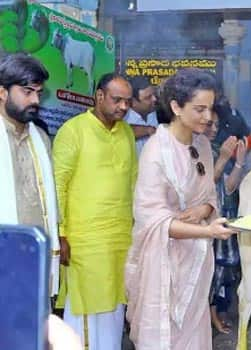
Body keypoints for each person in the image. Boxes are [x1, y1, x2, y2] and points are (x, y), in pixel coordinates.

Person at [125, 69, 234, 349]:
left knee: (193, 334)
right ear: (175, 106)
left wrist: (205, 211)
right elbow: (153, 220)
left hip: (196, 261)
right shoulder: (156, 150)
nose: (208, 118)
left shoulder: (203, 145)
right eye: (199, 109)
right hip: (162, 263)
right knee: (163, 337)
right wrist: (207, 230)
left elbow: (211, 195)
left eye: (210, 109)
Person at [53, 73, 137, 350]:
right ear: (99, 96)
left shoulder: (125, 132)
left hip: (121, 240)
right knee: (89, 313)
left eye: (127, 101)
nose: (123, 107)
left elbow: (134, 183)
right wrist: (60, 234)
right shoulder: (73, 130)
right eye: (117, 100)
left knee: (114, 312)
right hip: (85, 244)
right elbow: (58, 185)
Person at [0, 54, 59, 297]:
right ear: (2, 92)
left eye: (38, 92)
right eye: (27, 92)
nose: (35, 100)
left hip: (35, 260)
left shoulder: (41, 138)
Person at [204, 108, 248, 334]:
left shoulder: (217, 148)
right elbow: (205, 187)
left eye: (216, 126)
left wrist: (239, 162)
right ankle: (210, 317)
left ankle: (217, 312)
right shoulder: (194, 149)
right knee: (208, 273)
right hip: (200, 223)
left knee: (222, 272)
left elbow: (228, 188)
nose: (212, 129)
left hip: (222, 216)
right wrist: (222, 157)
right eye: (208, 124)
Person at [125, 76, 158, 156]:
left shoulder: (151, 112)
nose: (154, 99)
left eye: (153, 94)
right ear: (133, 102)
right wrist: (148, 130)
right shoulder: (123, 117)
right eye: (148, 98)